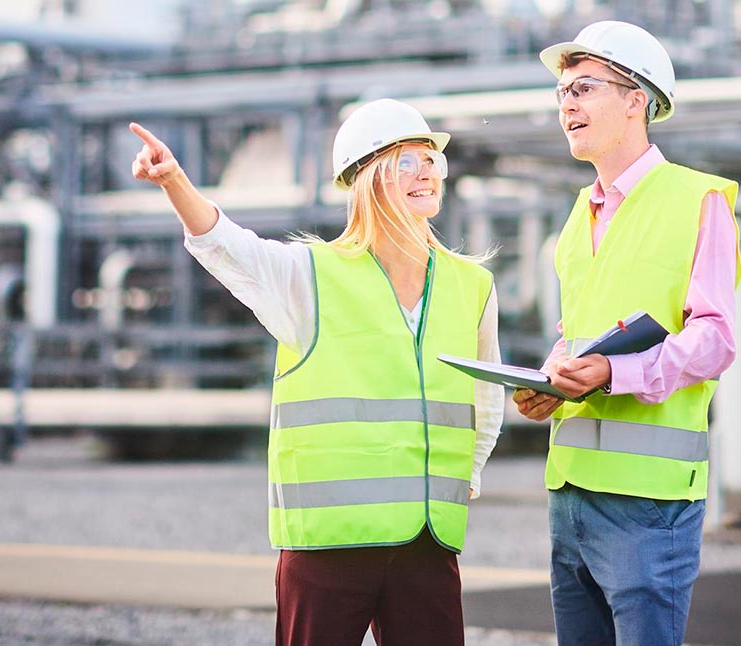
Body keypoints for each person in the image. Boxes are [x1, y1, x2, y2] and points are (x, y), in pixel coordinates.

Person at [130, 98, 503, 646]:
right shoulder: (309, 275)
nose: (427, 172)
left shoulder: (472, 285)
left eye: (432, 161)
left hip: (428, 540)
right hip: (328, 544)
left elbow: (484, 395)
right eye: (407, 161)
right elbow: (229, 248)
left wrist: (468, 472)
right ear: (367, 180)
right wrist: (175, 183)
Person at [513, 20, 741, 646]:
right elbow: (579, 337)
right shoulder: (576, 217)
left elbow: (717, 339)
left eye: (583, 88)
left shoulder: (699, 201)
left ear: (635, 98)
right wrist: (552, 380)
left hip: (649, 504)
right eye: (562, 93)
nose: (567, 106)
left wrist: (617, 372)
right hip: (571, 493)